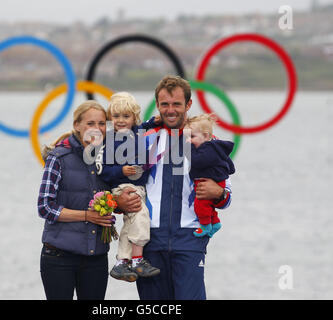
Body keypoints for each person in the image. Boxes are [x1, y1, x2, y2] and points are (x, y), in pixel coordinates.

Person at [129, 75, 233, 300]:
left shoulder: (208, 142)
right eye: (164, 104)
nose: (170, 110)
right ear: (157, 105)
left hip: (189, 240)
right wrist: (120, 202)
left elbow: (226, 197)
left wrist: (219, 193)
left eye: (176, 104)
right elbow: (125, 183)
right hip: (150, 241)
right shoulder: (145, 139)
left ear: (188, 105)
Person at [37, 100, 139, 300]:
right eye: (90, 123)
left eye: (102, 124)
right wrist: (87, 216)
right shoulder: (58, 157)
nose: (97, 129)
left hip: (96, 258)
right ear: (77, 125)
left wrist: (120, 203)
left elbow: (110, 200)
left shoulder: (110, 158)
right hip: (59, 257)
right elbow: (45, 207)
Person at [96, 92, 160, 282]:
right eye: (116, 117)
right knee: (140, 218)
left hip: (138, 186)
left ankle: (122, 262)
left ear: (134, 118)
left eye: (126, 116)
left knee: (132, 222)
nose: (121, 121)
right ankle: (137, 259)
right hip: (123, 187)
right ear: (110, 118)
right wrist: (121, 171)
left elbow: (143, 126)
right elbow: (104, 171)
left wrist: (153, 121)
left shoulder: (136, 132)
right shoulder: (109, 139)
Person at [184, 114, 235, 238]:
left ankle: (206, 226)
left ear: (206, 136)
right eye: (186, 137)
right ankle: (215, 222)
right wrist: (226, 169)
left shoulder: (207, 148)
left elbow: (197, 161)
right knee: (208, 205)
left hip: (214, 182)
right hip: (216, 180)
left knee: (200, 205)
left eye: (192, 137)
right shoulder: (216, 147)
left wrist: (219, 191)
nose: (188, 141)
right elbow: (230, 165)